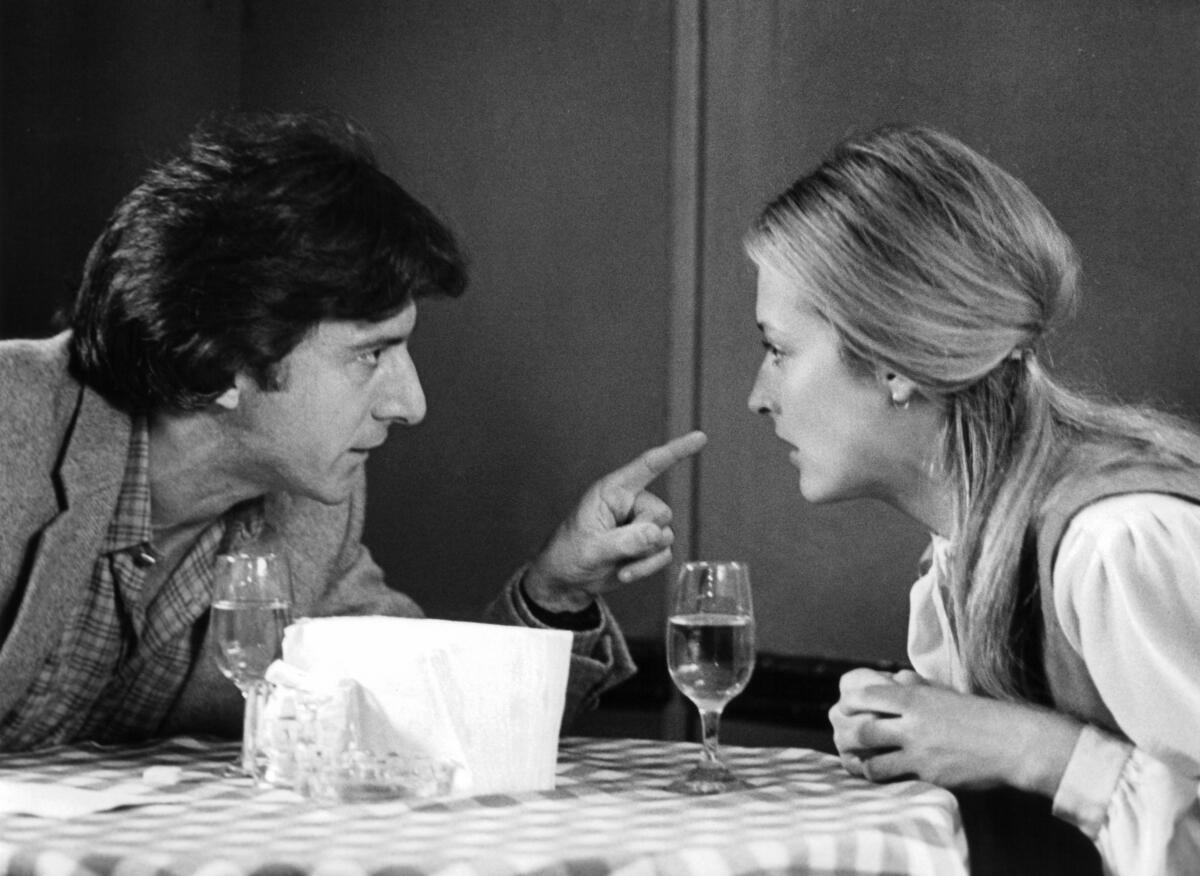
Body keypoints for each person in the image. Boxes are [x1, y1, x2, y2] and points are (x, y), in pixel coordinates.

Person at [0, 110, 706, 751]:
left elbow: (438, 718)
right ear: (222, 357)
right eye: (370, 354)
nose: (412, 403)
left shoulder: (312, 511)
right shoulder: (11, 424)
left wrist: (556, 591)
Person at [744, 124, 1199, 875]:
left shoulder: (1117, 547)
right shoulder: (970, 555)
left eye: (778, 349)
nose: (759, 397)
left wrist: (1031, 750)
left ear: (893, 363)